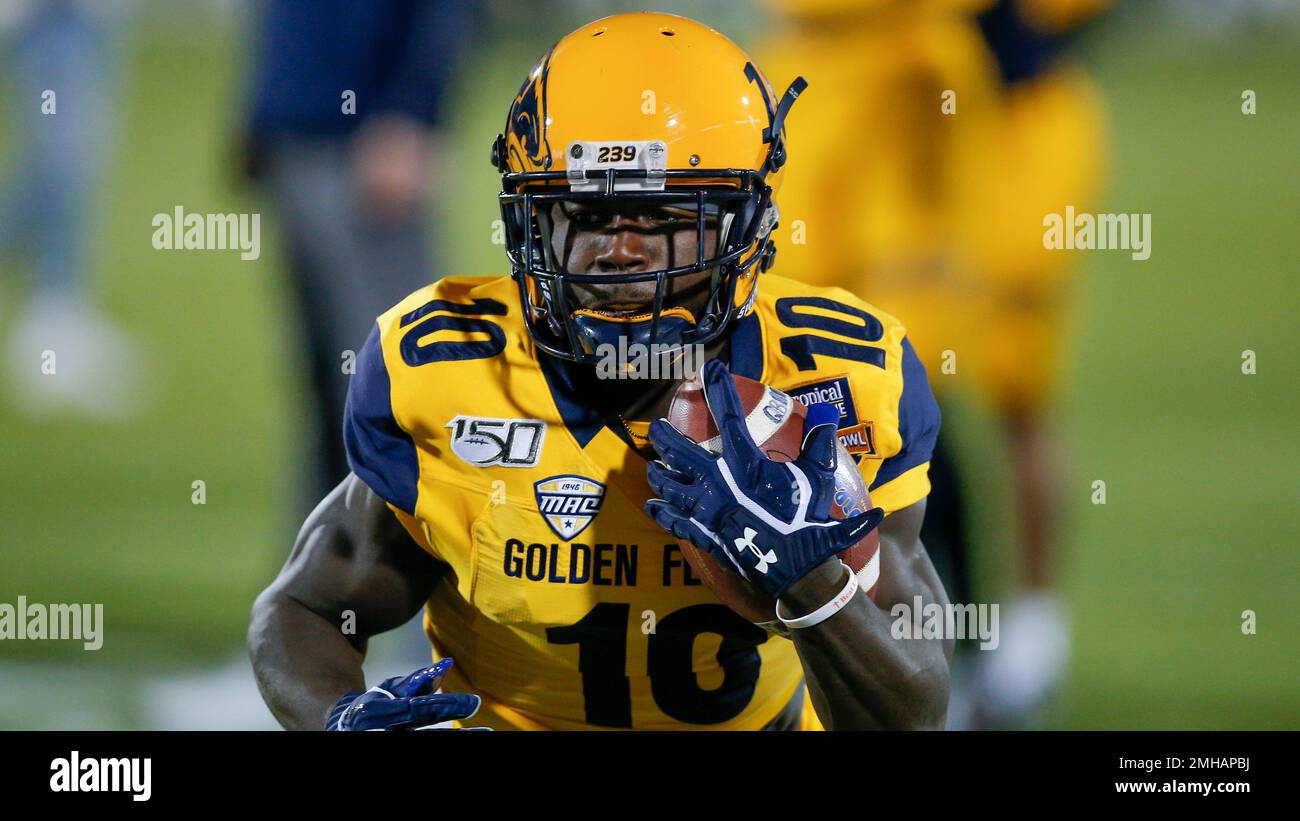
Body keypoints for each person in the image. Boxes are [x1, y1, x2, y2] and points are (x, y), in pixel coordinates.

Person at [249, 12, 951, 731]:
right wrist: (339, 717)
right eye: (586, 211)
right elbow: (305, 606)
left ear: (746, 226)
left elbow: (911, 715)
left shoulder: (839, 380)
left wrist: (812, 583)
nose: (618, 250)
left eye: (662, 215)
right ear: (532, 222)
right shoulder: (445, 369)